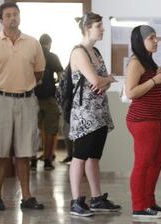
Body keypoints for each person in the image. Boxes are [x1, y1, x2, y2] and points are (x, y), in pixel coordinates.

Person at [0, 2, 46, 210]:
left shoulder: (33, 43)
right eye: (8, 15)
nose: (12, 18)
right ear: (1, 20)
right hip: (0, 100)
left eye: (15, 14)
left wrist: (22, 84)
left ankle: (27, 197)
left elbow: (39, 72)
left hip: (26, 101)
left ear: (20, 17)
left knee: (24, 152)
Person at [68, 12, 121, 217]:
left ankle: (97, 198)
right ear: (87, 28)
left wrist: (104, 81)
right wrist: (107, 79)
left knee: (94, 157)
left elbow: (102, 84)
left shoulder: (95, 52)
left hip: (99, 112)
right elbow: (97, 81)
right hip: (84, 115)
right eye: (99, 26)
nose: (102, 29)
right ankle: (76, 201)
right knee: (79, 156)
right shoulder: (79, 52)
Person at [125, 25, 161, 220]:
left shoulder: (148, 61)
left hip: (155, 119)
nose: (156, 41)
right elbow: (131, 92)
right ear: (140, 42)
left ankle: (149, 201)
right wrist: (154, 81)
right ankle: (139, 207)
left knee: (158, 159)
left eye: (155, 37)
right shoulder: (135, 62)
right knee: (142, 163)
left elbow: (158, 87)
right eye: (151, 38)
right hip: (142, 120)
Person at [31, 33, 63, 171]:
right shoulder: (53, 56)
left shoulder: (34, 55)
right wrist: (55, 82)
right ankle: (48, 161)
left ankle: (32, 161)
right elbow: (61, 77)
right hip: (50, 99)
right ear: (49, 43)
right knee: (50, 131)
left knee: (34, 131)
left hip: (33, 99)